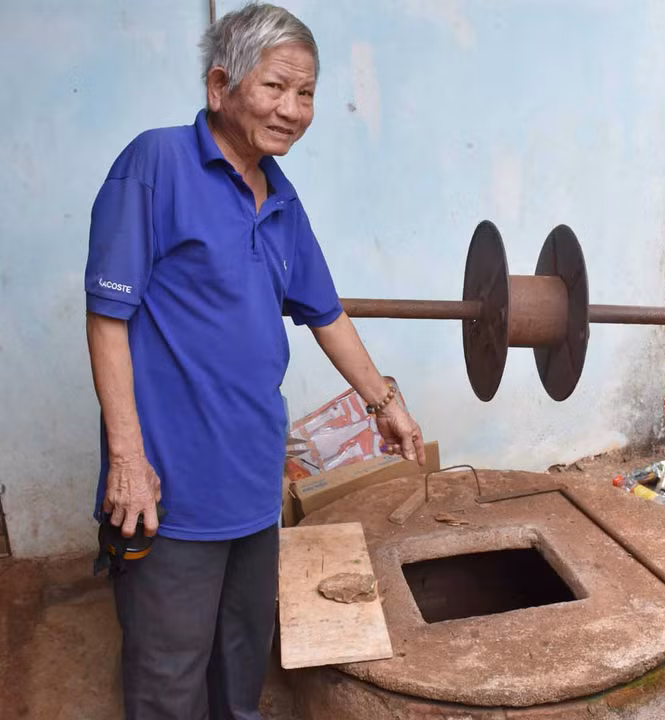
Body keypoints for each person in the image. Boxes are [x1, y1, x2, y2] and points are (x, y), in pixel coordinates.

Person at [84, 4, 425, 718]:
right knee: (168, 672)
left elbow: (324, 313)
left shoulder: (283, 200)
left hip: (250, 480)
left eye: (306, 94)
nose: (293, 110)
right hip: (168, 489)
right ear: (220, 85)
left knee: (241, 657)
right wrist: (127, 461)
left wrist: (385, 405)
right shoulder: (156, 164)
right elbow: (108, 319)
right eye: (275, 87)